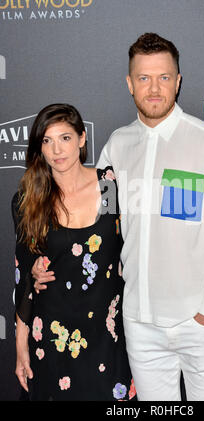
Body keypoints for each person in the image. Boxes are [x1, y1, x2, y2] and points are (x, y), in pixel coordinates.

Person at [33, 33, 204, 401]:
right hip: (139, 323)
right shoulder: (117, 146)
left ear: (178, 82)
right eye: (144, 78)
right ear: (129, 83)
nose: (154, 88)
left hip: (199, 322)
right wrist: (45, 263)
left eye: (164, 77)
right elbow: (91, 226)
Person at [12, 103, 135, 401]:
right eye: (47, 140)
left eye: (65, 138)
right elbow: (24, 279)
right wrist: (20, 347)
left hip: (108, 337)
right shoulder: (29, 200)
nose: (57, 149)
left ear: (82, 139)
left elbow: (128, 247)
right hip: (52, 340)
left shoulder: (108, 186)